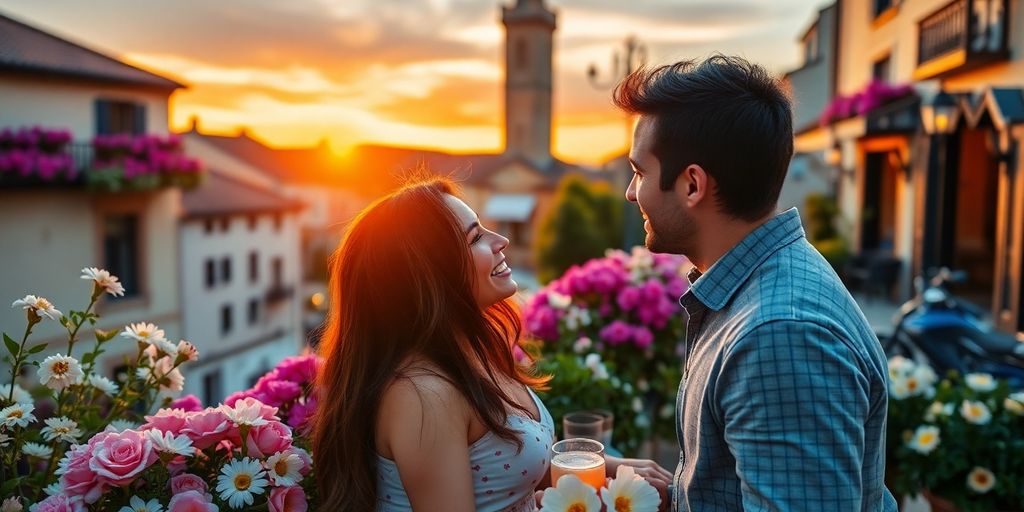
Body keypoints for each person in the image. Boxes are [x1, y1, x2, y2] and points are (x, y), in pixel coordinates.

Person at [615, 55, 899, 511]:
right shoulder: (759, 289)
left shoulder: (779, 335)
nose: (631, 192)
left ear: (692, 185)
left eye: (640, 172)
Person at [312, 176, 671, 512]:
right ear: (430, 275)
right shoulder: (423, 396)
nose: (501, 241)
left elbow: (503, 470)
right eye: (474, 238)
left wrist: (609, 467)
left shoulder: (467, 353)